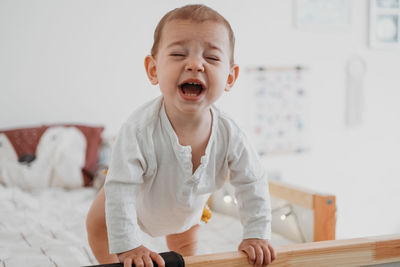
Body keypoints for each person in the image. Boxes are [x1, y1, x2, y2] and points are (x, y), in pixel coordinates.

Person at [86, 4, 276, 267]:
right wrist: (129, 246)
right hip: (134, 200)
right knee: (98, 226)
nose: (195, 64)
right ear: (153, 70)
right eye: (178, 54)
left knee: (186, 248)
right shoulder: (139, 129)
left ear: (230, 77)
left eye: (211, 58)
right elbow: (121, 189)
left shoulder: (231, 133)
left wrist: (256, 233)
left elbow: (252, 181)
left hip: (185, 209)